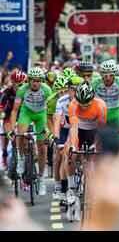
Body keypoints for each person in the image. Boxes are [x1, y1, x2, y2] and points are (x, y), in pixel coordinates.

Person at [7, 67, 53, 196]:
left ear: (41, 81)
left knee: (42, 146)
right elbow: (15, 110)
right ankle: (21, 158)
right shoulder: (22, 90)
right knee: (20, 132)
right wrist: (11, 129)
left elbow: (51, 112)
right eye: (32, 80)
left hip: (41, 115)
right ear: (28, 80)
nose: (35, 83)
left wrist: (49, 129)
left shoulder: (47, 90)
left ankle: (40, 178)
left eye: (38, 81)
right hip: (26, 113)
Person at [64, 81, 107, 206]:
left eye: (87, 104)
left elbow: (101, 130)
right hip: (79, 131)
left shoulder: (101, 106)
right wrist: (72, 145)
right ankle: (71, 188)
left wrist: (95, 144)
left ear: (92, 100)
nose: (84, 107)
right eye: (81, 104)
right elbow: (73, 127)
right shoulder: (73, 104)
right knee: (70, 153)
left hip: (94, 133)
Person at [52, 76, 84, 207]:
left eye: (78, 90)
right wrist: (56, 137)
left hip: (80, 128)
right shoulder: (61, 101)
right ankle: (64, 189)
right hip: (65, 129)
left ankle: (83, 181)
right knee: (64, 154)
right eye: (72, 90)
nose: (75, 93)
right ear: (68, 90)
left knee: (83, 154)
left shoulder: (85, 100)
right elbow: (57, 121)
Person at [45, 76, 69, 200]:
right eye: (60, 92)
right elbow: (50, 119)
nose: (63, 94)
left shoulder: (71, 98)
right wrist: (53, 135)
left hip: (71, 125)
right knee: (59, 155)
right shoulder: (53, 100)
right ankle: (58, 185)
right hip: (58, 125)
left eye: (66, 91)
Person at [91, 60, 119, 131]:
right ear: (101, 74)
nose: (108, 78)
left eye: (111, 75)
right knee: (98, 140)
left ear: (115, 74)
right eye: (105, 75)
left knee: (118, 141)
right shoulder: (95, 83)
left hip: (116, 114)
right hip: (100, 114)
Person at [0, 71, 26, 168]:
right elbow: (1, 108)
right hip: (9, 114)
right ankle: (5, 154)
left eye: (20, 85)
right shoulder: (7, 92)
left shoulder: (26, 92)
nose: (17, 87)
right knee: (6, 132)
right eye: (15, 84)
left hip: (22, 115)